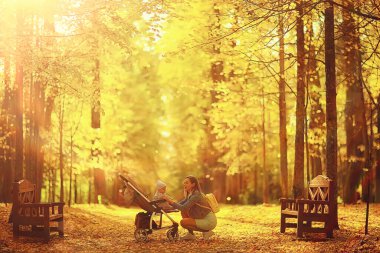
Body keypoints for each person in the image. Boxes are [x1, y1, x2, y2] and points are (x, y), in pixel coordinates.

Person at [162, 175, 217, 240]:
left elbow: (183, 207)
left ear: (193, 184)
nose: (184, 184)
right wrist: (166, 208)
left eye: (187, 183)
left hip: (209, 221)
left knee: (183, 222)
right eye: (184, 183)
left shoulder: (196, 195)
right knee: (184, 212)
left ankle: (207, 232)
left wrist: (170, 201)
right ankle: (191, 235)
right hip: (202, 218)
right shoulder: (190, 195)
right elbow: (180, 204)